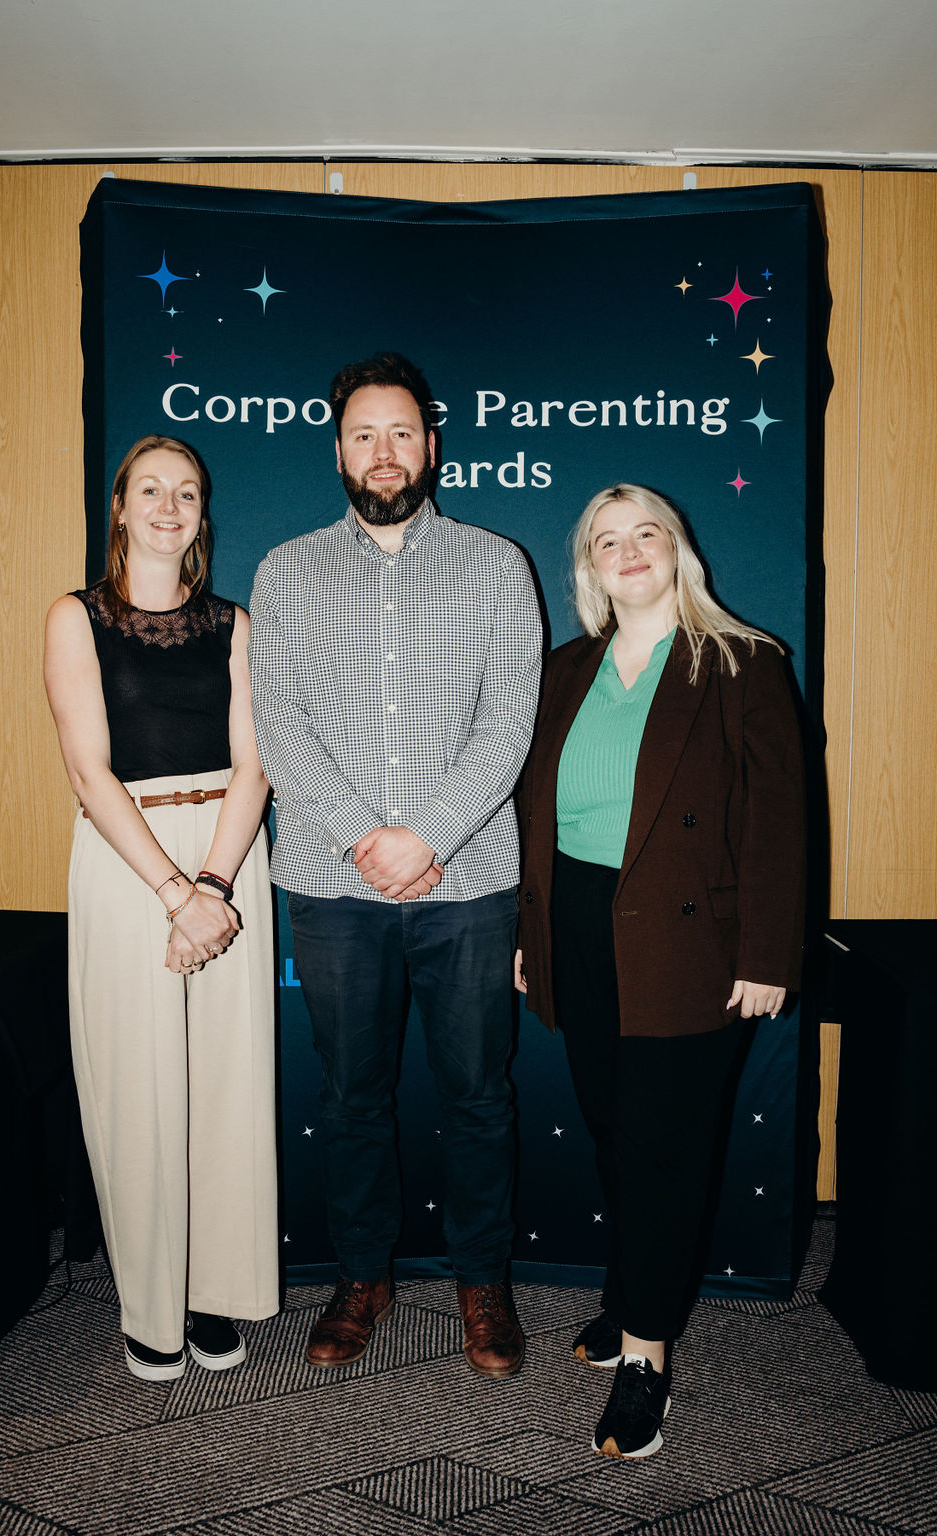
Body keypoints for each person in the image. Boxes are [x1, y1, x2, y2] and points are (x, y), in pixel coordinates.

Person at [249, 353, 543, 1377]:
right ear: (338, 451)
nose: (384, 452)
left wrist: (428, 838)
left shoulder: (496, 565)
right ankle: (360, 1277)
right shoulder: (286, 571)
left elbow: (511, 719)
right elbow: (278, 722)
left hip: (470, 882)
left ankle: (482, 1284)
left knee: (479, 1097)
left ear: (432, 446)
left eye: (402, 432)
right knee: (351, 1097)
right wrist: (360, 837)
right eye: (365, 434)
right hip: (333, 886)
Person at [515, 483, 805, 1458]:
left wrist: (765, 952)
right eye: (608, 540)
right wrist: (530, 932)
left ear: (677, 549)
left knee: (662, 1150)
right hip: (580, 927)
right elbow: (534, 816)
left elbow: (779, 821)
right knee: (613, 1132)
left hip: (690, 944)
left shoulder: (743, 661)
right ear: (589, 567)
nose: (629, 550)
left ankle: (646, 1354)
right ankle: (630, 1293)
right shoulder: (566, 669)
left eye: (647, 533)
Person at [44, 434, 278, 1382]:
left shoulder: (235, 621)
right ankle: (151, 1304)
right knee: (136, 1089)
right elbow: (86, 770)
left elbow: (256, 762)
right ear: (121, 507)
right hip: (127, 859)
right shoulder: (74, 616)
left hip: (228, 855)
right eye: (151, 489)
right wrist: (174, 892)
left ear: (201, 513)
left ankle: (214, 1289)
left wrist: (212, 887)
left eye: (186, 492)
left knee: (225, 1088)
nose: (169, 506)